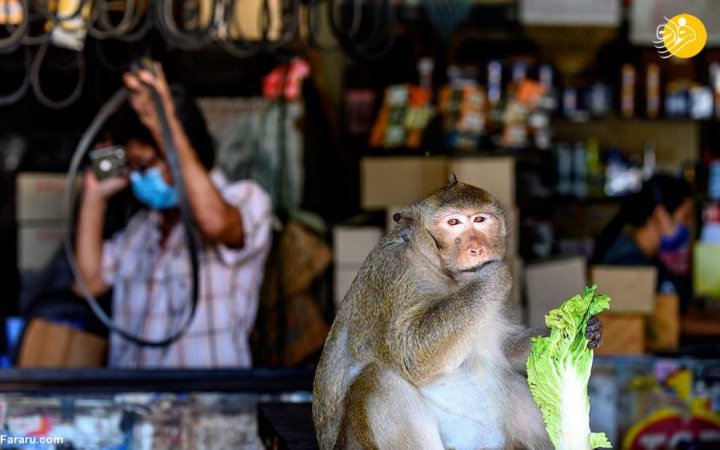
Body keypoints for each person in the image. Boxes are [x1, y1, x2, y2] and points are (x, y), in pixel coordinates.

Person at [74, 63, 273, 368]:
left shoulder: (246, 200)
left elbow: (215, 223)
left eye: (149, 164)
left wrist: (163, 123)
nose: (143, 175)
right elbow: (89, 282)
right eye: (136, 167)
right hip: (138, 407)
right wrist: (94, 195)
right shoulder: (142, 229)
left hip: (208, 409)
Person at [592, 173, 694, 311]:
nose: (688, 225)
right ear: (660, 214)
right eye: (685, 217)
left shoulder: (648, 257)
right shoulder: (627, 264)